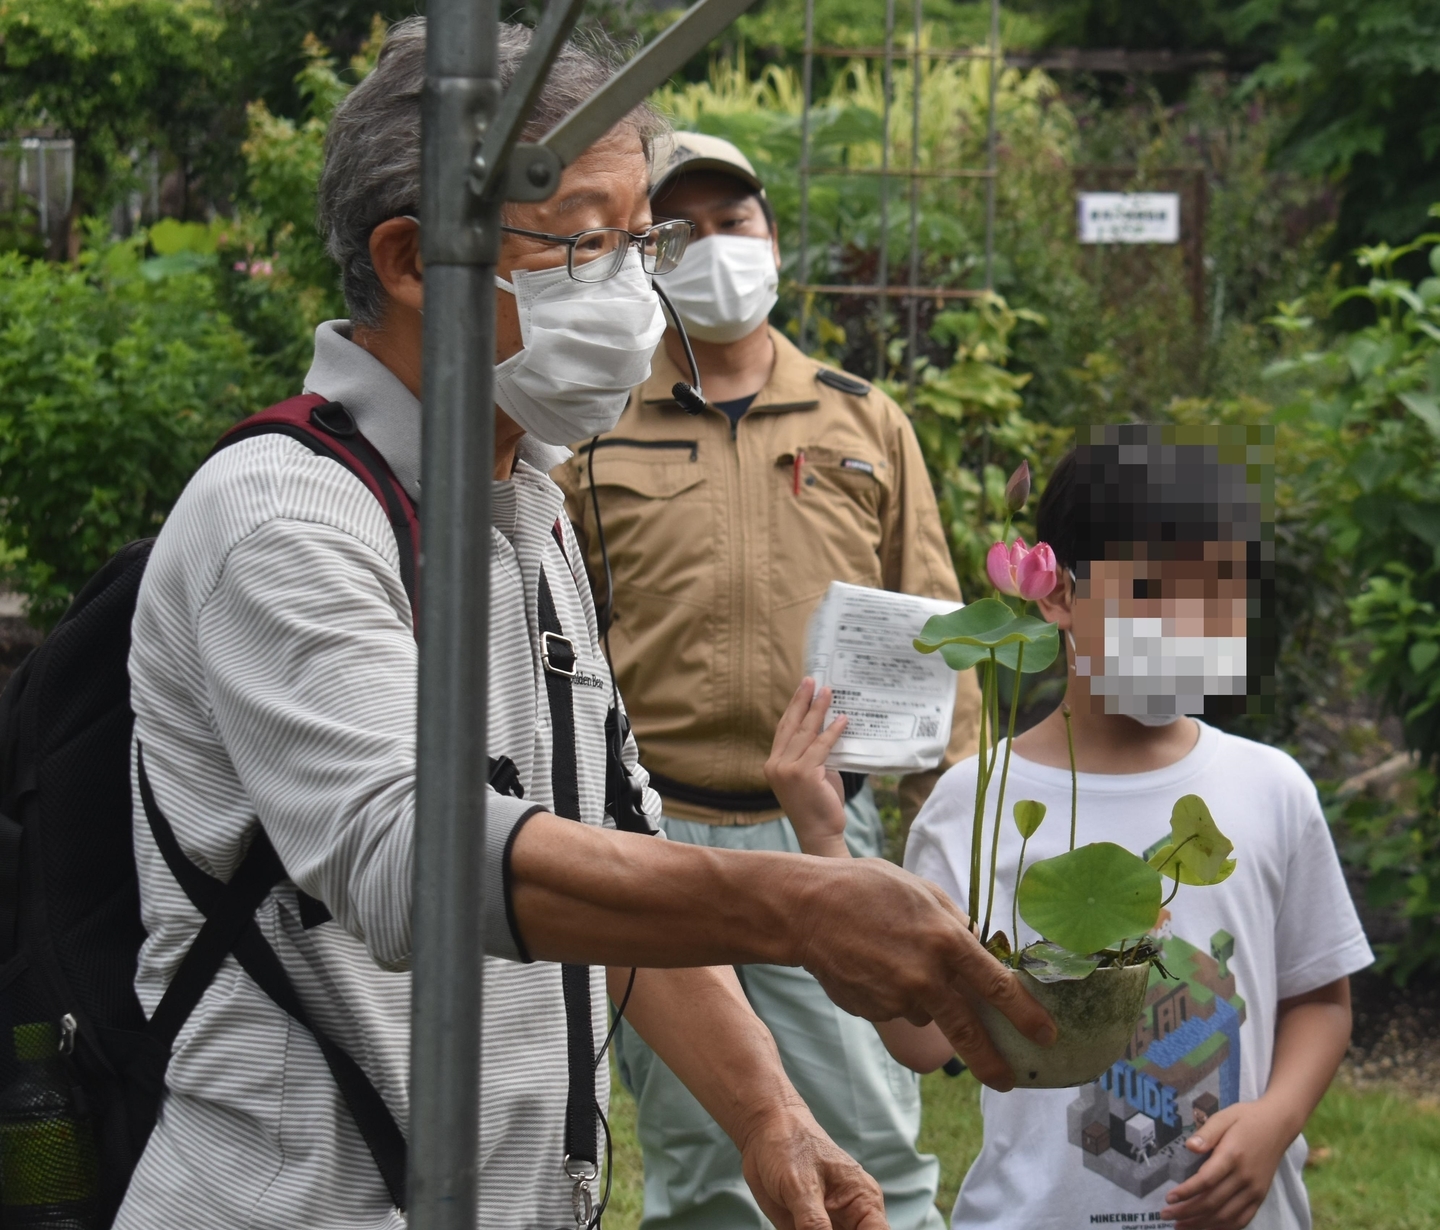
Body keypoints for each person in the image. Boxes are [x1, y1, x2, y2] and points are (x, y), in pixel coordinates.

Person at [119, 20, 1054, 1230]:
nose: (640, 287)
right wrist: (798, 907)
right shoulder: (282, 513)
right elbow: (410, 855)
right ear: (412, 260)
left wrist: (769, 1115)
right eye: (593, 245)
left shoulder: (529, 512)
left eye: (641, 241)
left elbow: (602, 854)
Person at [766, 427, 1373, 1230]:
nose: (1189, 626)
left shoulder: (1272, 789)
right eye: (1153, 592)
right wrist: (826, 846)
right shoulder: (972, 802)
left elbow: (1322, 1000)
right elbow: (923, 1044)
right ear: (1056, 594)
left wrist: (1277, 1120)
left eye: (1217, 595)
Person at [553, 133, 982, 1230]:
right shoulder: (594, 433)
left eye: (733, 223)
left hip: (825, 833)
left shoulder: (864, 421)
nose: (714, 248)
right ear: (647, 255)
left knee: (875, 1146)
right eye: (681, 230)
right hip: (658, 836)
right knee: (702, 1169)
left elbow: (943, 635)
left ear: (773, 238)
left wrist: (958, 837)